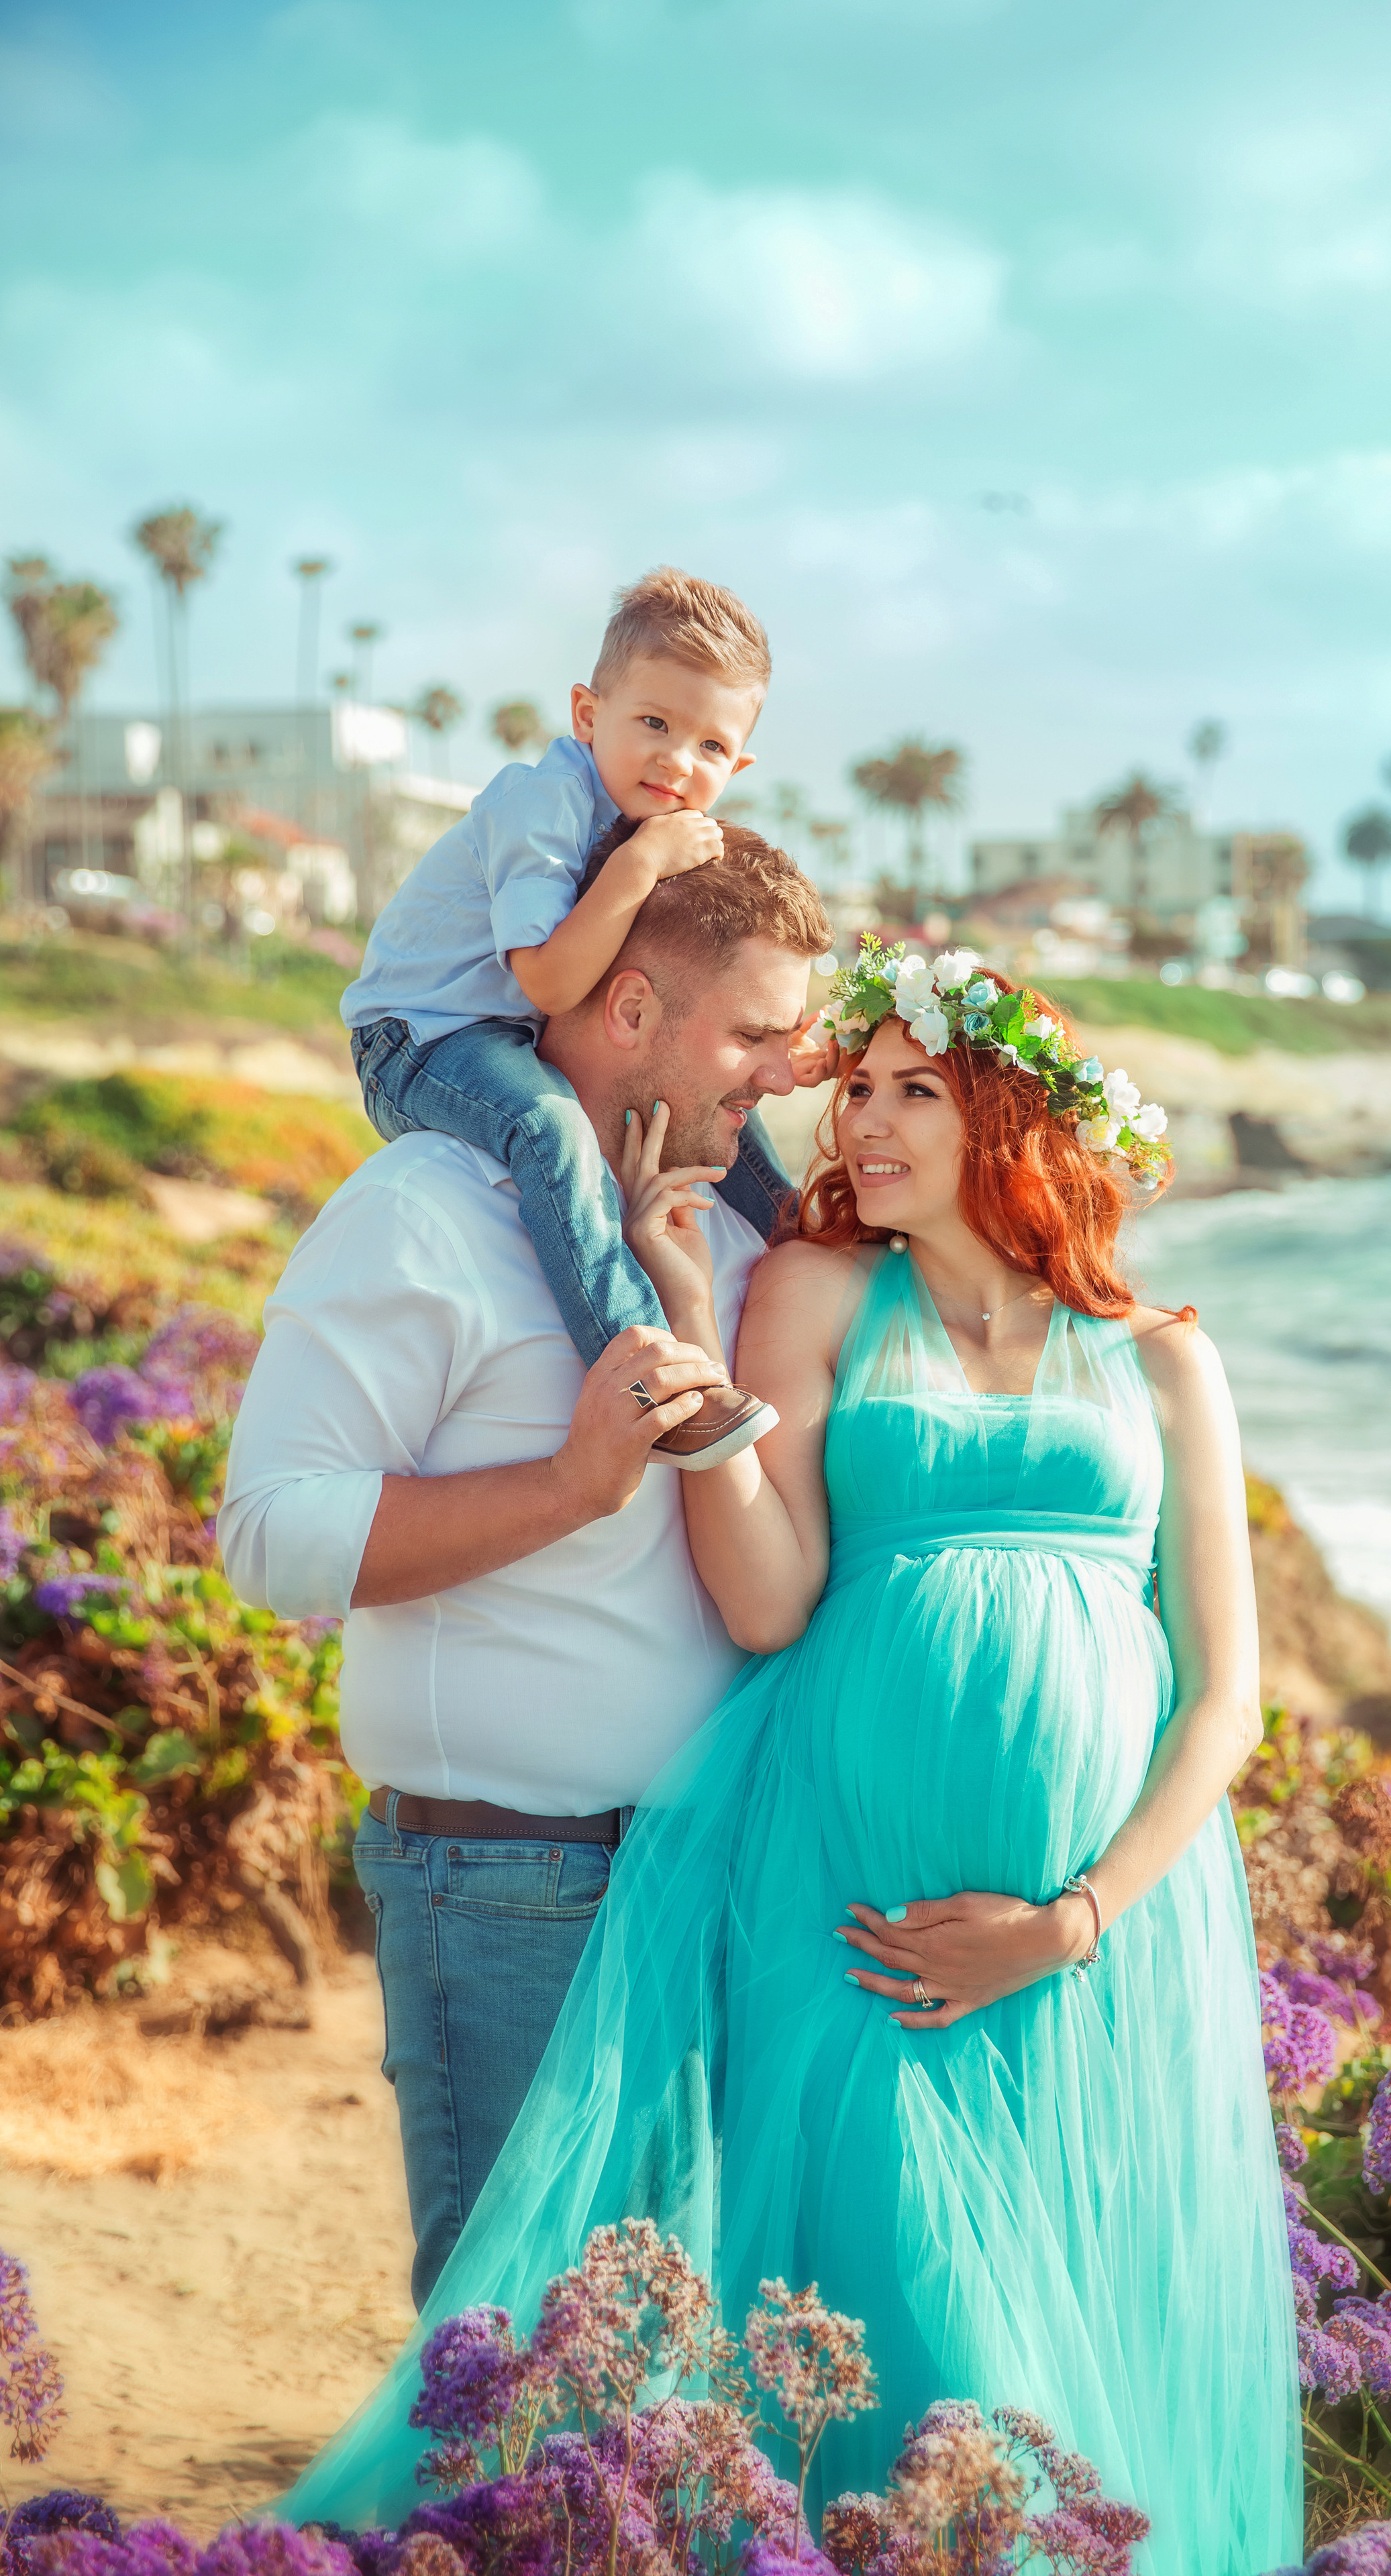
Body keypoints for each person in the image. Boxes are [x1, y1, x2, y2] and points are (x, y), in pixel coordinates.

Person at [280, 941, 1303, 2571]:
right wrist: (694, 1336)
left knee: (1075, 2349)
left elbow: (1225, 1699)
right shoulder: (819, 1295)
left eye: (916, 1090)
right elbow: (764, 1605)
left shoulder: (1163, 1354)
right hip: (850, 1918)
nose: (865, 1125)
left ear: (1011, 1117)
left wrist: (1073, 1920)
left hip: (1097, 1946)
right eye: (859, 1089)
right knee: (914, 2342)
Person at [219, 825, 834, 2308]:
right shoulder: (425, 1211)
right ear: (627, 1009)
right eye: (750, 1031)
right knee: (519, 2369)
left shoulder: (740, 1244)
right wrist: (570, 1485)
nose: (774, 1074)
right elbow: (269, 1534)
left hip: (712, 1889)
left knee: (669, 2388)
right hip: (504, 1887)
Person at [340, 565, 815, 1468]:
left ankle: (811, 1241)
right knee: (549, 1128)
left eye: (712, 748)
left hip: (500, 1032)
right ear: (588, 715)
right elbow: (551, 984)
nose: (679, 762)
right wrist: (642, 867)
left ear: (740, 765)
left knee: (715, 1113)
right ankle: (653, 1385)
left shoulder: (652, 818)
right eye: (654, 725)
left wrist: (782, 1043)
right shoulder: (547, 805)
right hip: (417, 1038)